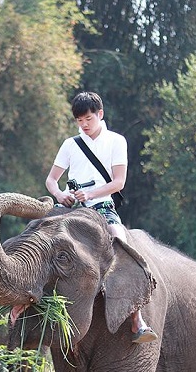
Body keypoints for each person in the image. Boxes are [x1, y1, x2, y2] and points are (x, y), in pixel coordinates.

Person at [45, 91, 158, 344]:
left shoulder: (116, 141)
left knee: (120, 242)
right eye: (79, 121)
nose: (84, 125)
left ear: (100, 115)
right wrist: (60, 195)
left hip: (102, 206)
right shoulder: (70, 145)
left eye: (88, 119)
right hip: (72, 208)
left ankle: (136, 318)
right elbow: (52, 180)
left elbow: (119, 182)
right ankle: (32, 306)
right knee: (42, 243)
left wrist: (91, 193)